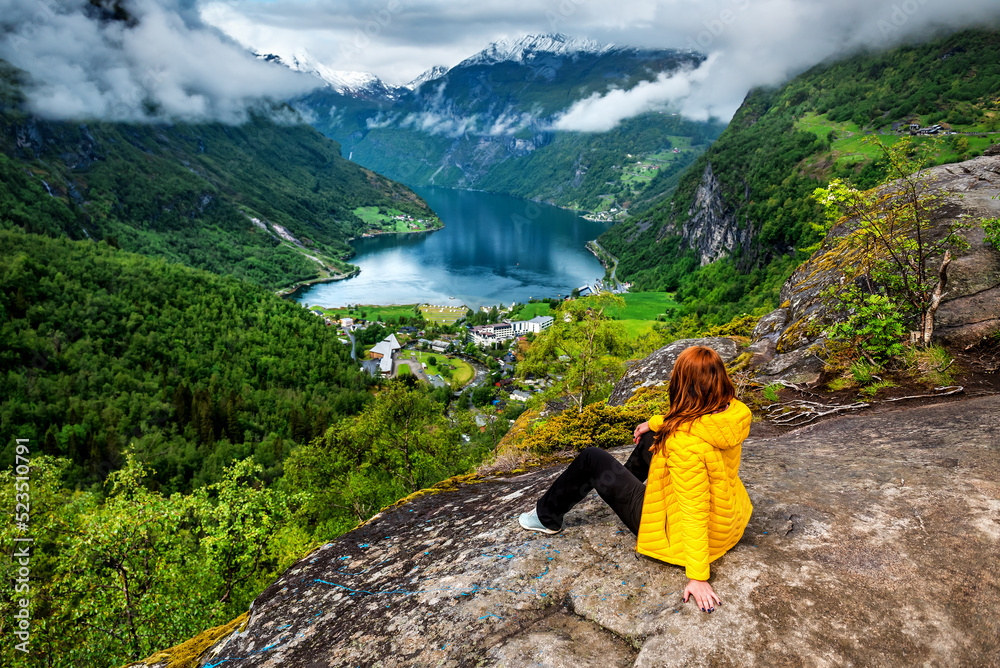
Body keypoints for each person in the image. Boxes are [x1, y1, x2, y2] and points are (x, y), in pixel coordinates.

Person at [518, 345, 753, 613]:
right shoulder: (731, 411)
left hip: (675, 528)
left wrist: (698, 576)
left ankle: (546, 517)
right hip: (725, 519)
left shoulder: (685, 446)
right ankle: (627, 484)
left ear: (683, 386)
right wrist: (656, 424)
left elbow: (693, 511)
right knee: (652, 439)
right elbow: (694, 422)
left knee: (592, 458)